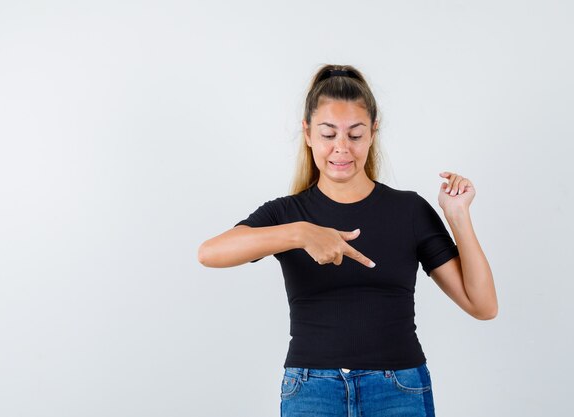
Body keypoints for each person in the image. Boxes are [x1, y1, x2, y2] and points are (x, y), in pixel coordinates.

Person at [197, 64, 497, 417]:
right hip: (311, 391)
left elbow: (483, 306)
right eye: (328, 134)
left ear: (373, 132)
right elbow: (210, 252)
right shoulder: (286, 213)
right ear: (307, 134)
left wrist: (457, 216)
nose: (341, 148)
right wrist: (301, 232)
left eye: (355, 135)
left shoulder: (409, 210)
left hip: (397, 389)